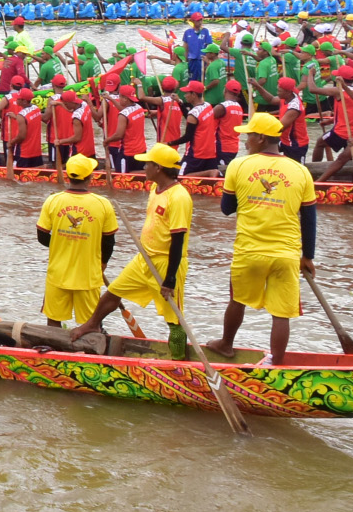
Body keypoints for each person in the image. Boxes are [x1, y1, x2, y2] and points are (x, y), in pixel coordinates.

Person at [205, 112, 315, 362]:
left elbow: (227, 209)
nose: (245, 141)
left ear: (261, 138)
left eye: (249, 136)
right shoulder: (301, 171)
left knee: (237, 300)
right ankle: (277, 361)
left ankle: (226, 344)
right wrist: (308, 257)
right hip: (286, 254)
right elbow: (309, 219)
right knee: (281, 313)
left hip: (249, 251)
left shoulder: (238, 166)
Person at [69, 143, 193, 357]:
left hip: (166, 263)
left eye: (148, 164)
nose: (144, 167)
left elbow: (178, 240)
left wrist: (170, 278)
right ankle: (91, 324)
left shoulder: (179, 197)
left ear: (159, 168)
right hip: (144, 258)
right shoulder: (155, 189)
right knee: (114, 291)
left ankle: (179, 361)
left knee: (174, 319)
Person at [35, 154, 118, 327]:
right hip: (88, 276)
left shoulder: (53, 201)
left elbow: (42, 236)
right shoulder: (103, 204)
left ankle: (54, 344)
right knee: (91, 324)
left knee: (53, 322)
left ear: (67, 175)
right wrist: (103, 263)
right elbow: (109, 242)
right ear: (90, 176)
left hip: (58, 274)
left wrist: (61, 243)